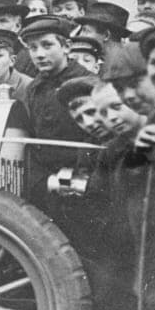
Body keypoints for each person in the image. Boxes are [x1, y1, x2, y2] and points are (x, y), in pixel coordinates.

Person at [21, 15, 94, 202]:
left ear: (67, 47)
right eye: (33, 47)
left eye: (47, 45)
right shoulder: (34, 88)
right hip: (46, 184)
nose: (39, 54)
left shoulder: (87, 85)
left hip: (82, 185)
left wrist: (77, 177)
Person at [73, 1, 130, 75]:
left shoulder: (120, 68)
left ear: (106, 35)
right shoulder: (102, 61)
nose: (80, 35)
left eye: (86, 31)